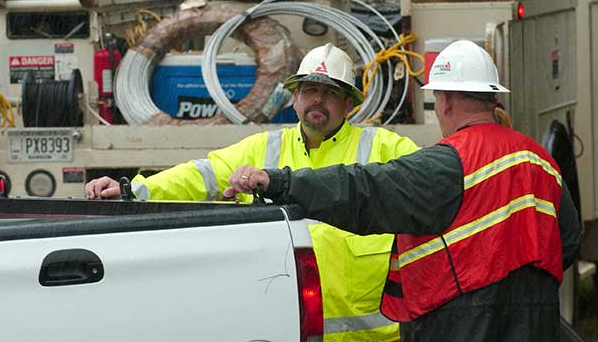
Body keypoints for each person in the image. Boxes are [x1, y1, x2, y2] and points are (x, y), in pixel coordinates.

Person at [224, 40, 583, 342]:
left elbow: (361, 191)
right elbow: (567, 239)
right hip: (536, 321)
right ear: (492, 99)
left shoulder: (447, 163)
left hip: (462, 323)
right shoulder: (537, 158)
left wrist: (281, 182)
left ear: (442, 101)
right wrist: (519, 287)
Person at [86, 43, 419, 341]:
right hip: (287, 330)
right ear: (295, 97)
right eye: (310, 90)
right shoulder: (265, 148)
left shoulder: (385, 147)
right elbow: (200, 175)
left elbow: (433, 183)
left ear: (349, 104)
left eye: (330, 93)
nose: (318, 99)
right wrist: (133, 190)